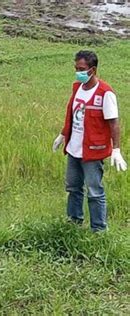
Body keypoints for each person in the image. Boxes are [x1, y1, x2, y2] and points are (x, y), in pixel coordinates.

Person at [52, 50, 127, 232]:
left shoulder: (105, 93)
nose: (78, 72)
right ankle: (73, 223)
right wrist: (63, 135)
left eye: (82, 69)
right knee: (73, 188)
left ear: (92, 70)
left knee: (94, 191)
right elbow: (73, 114)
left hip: (93, 151)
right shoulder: (77, 88)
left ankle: (99, 230)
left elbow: (114, 122)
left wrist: (116, 149)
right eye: (76, 68)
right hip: (74, 148)